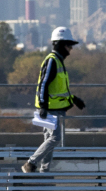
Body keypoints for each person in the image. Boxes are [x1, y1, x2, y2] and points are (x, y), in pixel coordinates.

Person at [22, 27, 85, 173]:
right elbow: (43, 83)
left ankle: (44, 171)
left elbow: (59, 89)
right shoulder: (52, 61)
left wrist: (74, 99)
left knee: (49, 140)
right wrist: (43, 105)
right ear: (59, 44)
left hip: (56, 107)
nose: (70, 49)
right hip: (50, 108)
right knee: (55, 138)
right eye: (68, 45)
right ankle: (30, 163)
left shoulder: (58, 61)